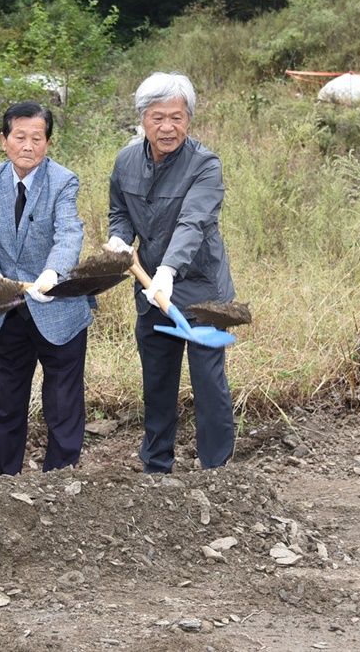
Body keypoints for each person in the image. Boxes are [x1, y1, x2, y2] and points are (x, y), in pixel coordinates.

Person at [107, 72, 238, 473]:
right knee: (157, 382)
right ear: (142, 118)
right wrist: (118, 240)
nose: (168, 127)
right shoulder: (126, 161)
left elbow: (193, 223)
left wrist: (166, 270)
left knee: (208, 383)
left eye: (177, 117)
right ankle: (156, 466)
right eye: (158, 117)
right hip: (152, 294)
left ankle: (217, 471)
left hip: (202, 289)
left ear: (189, 118)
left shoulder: (205, 164)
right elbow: (120, 212)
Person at [0, 102, 94, 476]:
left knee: (62, 400)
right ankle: (1, 479)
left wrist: (52, 273)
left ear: (48, 142)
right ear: (3, 140)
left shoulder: (63, 181)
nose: (28, 146)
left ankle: (60, 479)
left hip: (57, 308)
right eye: (19, 137)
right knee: (8, 398)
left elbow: (69, 232)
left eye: (37, 138)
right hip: (10, 308)